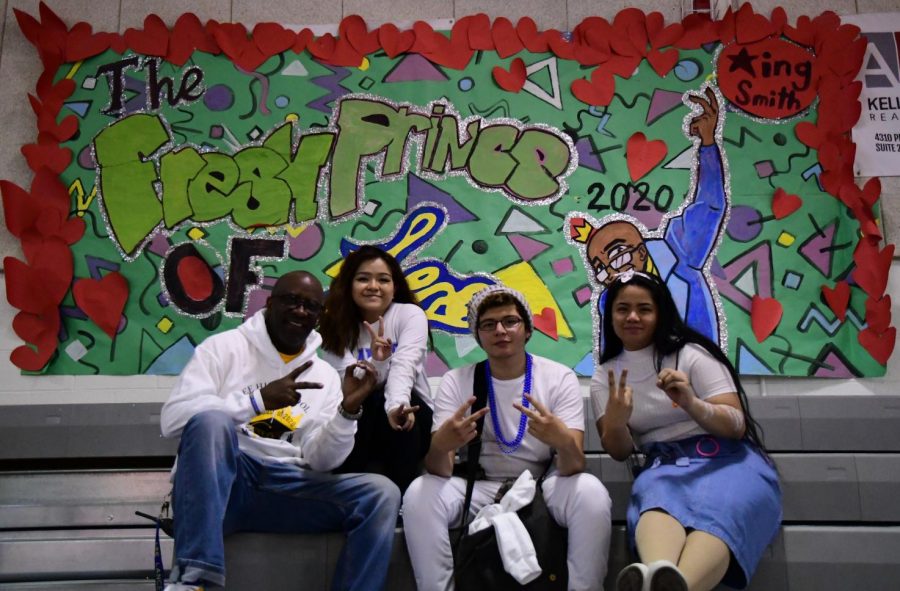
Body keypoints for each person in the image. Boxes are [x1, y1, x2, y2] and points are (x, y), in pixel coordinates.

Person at [159, 271, 401, 591]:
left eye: (311, 307)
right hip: (225, 485)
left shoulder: (326, 376)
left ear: (317, 317)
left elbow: (321, 462)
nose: (301, 311)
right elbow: (173, 420)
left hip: (286, 489)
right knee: (210, 421)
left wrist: (347, 412)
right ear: (270, 303)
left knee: (381, 493)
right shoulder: (222, 348)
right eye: (292, 301)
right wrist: (257, 401)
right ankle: (195, 580)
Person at [403, 284, 613, 591]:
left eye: (510, 322)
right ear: (479, 336)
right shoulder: (456, 380)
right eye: (489, 325)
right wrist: (441, 445)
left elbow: (572, 466)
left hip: (542, 485)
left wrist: (563, 441)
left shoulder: (558, 378)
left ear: (527, 330)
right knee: (419, 494)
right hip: (478, 486)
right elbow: (441, 469)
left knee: (591, 492)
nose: (500, 330)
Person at [591, 270, 781, 591]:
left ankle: (672, 585)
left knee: (722, 514)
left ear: (660, 313)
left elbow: (736, 425)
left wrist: (692, 403)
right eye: (622, 309)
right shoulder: (605, 376)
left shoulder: (690, 354)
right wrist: (616, 420)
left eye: (644, 309)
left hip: (729, 462)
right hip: (662, 466)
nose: (632, 317)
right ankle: (666, 581)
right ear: (609, 316)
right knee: (656, 501)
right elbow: (620, 451)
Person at [568, 84, 728, 347]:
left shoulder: (681, 251)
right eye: (601, 270)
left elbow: (708, 206)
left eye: (617, 258)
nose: (610, 274)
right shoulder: (609, 300)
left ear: (641, 250)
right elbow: (612, 356)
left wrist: (708, 144)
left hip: (696, 376)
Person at [320, 245, 434, 493]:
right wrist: (379, 361)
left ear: (394, 288)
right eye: (363, 279)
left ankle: (402, 499)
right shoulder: (334, 325)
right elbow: (349, 387)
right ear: (348, 285)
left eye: (383, 279)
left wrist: (395, 407)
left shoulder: (410, 315)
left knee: (401, 404)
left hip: (412, 417)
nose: (374, 286)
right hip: (360, 415)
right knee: (361, 403)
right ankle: (345, 496)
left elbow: (405, 368)